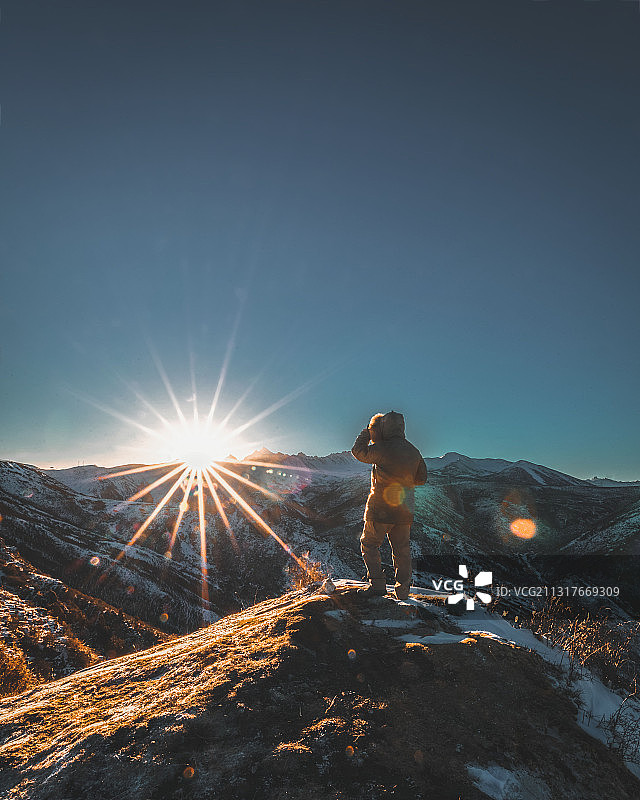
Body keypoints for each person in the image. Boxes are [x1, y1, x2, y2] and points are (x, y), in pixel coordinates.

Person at [351, 411, 427, 601]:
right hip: (404, 511)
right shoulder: (414, 451)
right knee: (402, 551)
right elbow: (422, 478)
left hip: (380, 510)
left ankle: (377, 586)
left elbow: (358, 452)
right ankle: (402, 592)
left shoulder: (382, 448)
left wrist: (367, 433)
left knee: (369, 545)